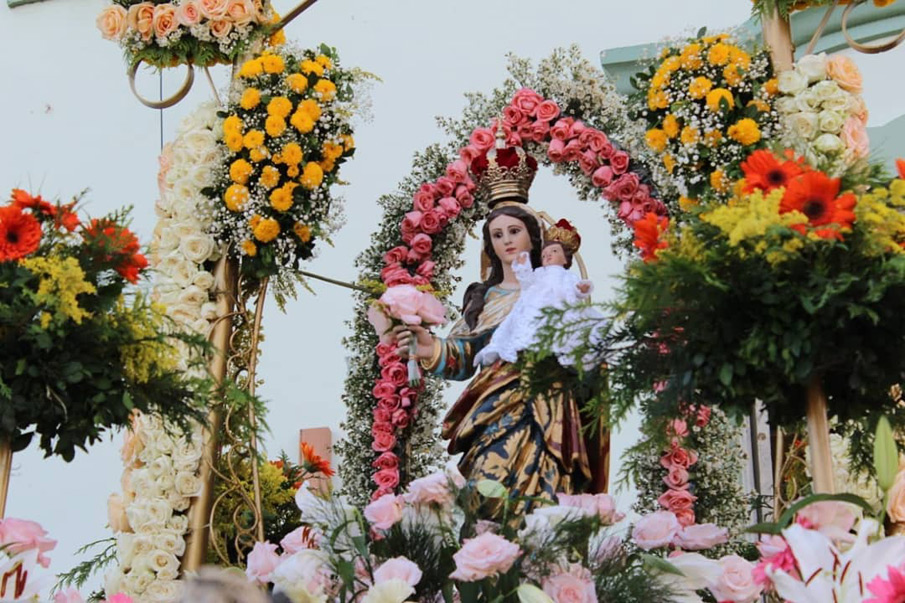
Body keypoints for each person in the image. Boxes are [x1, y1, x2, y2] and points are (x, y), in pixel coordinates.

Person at [396, 193, 609, 514]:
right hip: (496, 408)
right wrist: (431, 348)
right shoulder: (485, 297)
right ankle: (487, 558)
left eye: (514, 231)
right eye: (497, 235)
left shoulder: (558, 290)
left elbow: (583, 347)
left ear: (534, 238)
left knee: (546, 503)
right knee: (488, 494)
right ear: (490, 245)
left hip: (550, 410)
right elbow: (464, 354)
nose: (507, 240)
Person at [473, 219, 596, 369]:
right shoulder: (539, 273)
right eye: (544, 255)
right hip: (538, 307)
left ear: (565, 258)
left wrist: (582, 289)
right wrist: (524, 266)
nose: (548, 256)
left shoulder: (568, 276)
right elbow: (527, 281)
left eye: (554, 252)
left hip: (561, 309)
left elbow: (576, 289)